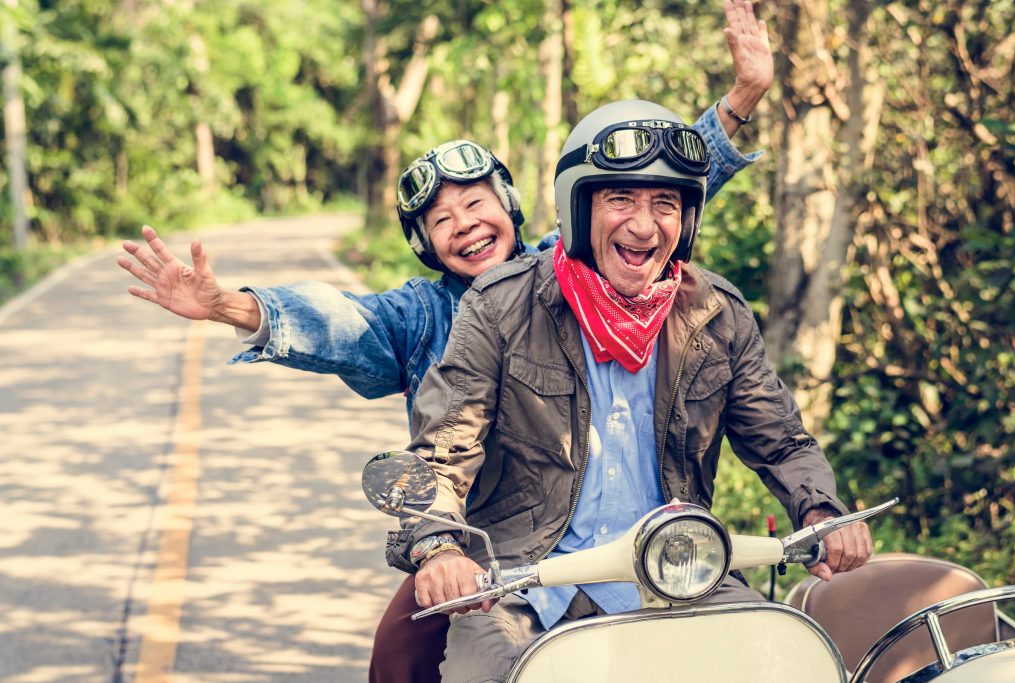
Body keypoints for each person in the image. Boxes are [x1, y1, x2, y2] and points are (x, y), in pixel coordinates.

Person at [117, 4, 773, 679]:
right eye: (441, 218)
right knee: (397, 658)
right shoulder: (423, 314)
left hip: (625, 537)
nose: (464, 224)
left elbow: (653, 194)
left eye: (476, 202)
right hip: (475, 544)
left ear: (514, 206)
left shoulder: (571, 269)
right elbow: (337, 321)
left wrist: (742, 99)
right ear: (424, 243)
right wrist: (229, 304)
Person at [387, 97, 875, 682]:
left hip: (682, 571)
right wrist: (439, 548)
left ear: (686, 219)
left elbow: (781, 441)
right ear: (577, 207)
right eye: (620, 199)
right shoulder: (498, 305)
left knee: (783, 666)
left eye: (665, 204)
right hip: (525, 586)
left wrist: (821, 509)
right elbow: (442, 453)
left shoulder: (718, 315)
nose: (644, 225)